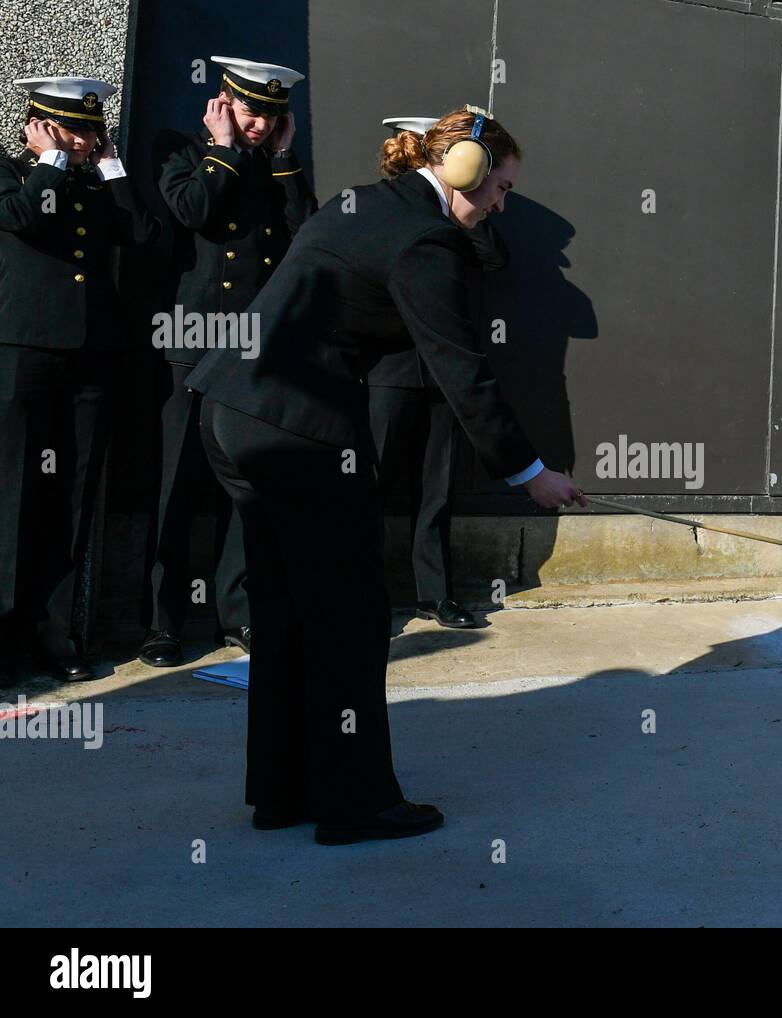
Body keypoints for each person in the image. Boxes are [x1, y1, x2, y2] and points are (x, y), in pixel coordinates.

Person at [186, 106, 585, 845]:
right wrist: (531, 473)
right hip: (298, 433)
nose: (501, 203)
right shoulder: (425, 242)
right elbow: (463, 372)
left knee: (285, 613)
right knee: (350, 618)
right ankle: (354, 803)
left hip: (234, 413)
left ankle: (281, 791)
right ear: (463, 168)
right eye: (498, 186)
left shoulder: (368, 203)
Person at [140, 57, 317, 668]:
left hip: (253, 345)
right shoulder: (182, 149)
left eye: (273, 114)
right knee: (178, 484)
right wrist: (222, 148)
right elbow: (193, 212)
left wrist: (286, 161)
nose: (262, 125)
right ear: (221, 102)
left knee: (247, 484)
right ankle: (163, 623)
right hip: (193, 339)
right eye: (251, 111)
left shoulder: (277, 161)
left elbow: (305, 237)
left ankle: (237, 613)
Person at [0, 77, 159, 686]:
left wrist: (112, 165)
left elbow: (141, 234)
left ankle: (55, 635)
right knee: (13, 495)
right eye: (74, 130)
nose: (86, 142)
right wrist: (50, 163)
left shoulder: (95, 180)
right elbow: (21, 219)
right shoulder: (16, 175)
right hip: (23, 353)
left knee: (73, 494)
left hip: (89, 358)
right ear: (38, 127)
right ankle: (5, 639)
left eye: (93, 131)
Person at [370, 116, 509, 629]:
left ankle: (435, 593)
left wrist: (469, 212)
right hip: (390, 365)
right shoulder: (390, 205)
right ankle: (367, 592)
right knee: (374, 481)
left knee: (439, 487)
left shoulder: (462, 214)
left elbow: (494, 258)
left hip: (443, 371)